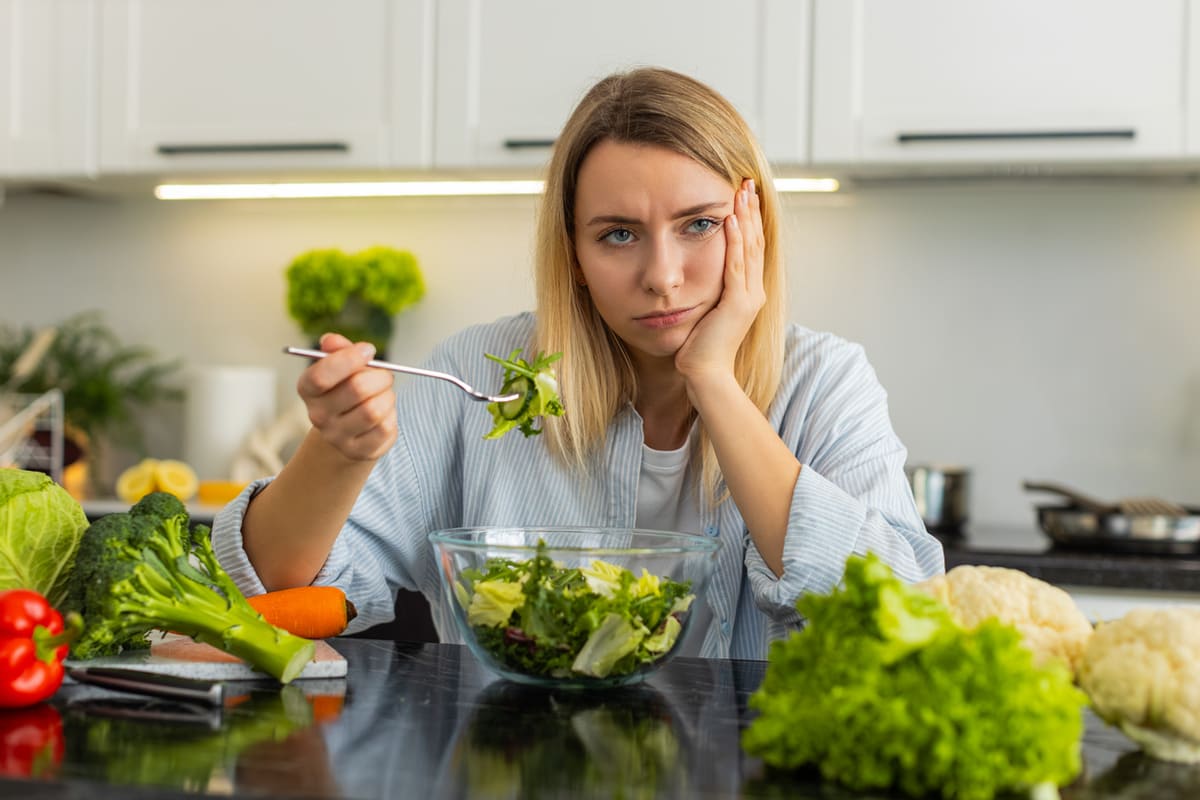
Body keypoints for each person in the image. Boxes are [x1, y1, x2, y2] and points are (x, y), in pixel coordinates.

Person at [212, 67, 944, 659]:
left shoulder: (825, 382)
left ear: (753, 228)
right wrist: (336, 451)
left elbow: (901, 609)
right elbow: (276, 585)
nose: (663, 275)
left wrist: (713, 379)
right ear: (575, 255)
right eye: (619, 235)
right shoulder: (481, 371)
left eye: (698, 226)